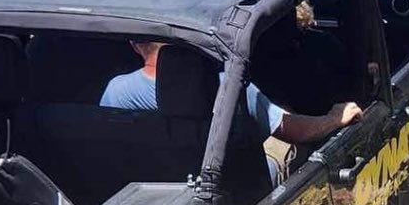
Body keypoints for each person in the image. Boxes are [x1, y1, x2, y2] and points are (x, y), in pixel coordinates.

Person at [101, 40, 363, 144]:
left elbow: (113, 143)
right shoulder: (228, 86)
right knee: (279, 137)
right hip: (236, 185)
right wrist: (335, 117)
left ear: (135, 45)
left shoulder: (117, 92)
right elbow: (297, 132)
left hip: (157, 191)